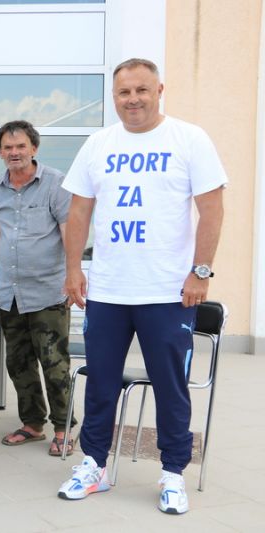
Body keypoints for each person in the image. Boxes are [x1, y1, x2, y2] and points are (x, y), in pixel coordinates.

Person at [57, 58, 226, 515]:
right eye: (124, 92)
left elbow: (212, 209)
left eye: (141, 90)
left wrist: (201, 271)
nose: (132, 99)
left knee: (171, 387)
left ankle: (172, 473)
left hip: (168, 292)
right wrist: (73, 269)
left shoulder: (189, 139)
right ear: (114, 96)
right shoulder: (98, 144)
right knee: (101, 383)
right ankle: (94, 465)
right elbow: (78, 212)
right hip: (108, 291)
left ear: (159, 91)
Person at [0, 120, 74, 455]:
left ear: (34, 148)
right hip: (9, 292)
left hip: (48, 291)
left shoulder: (56, 183)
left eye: (20, 146)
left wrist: (73, 275)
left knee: (54, 364)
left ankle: (63, 428)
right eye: (7, 147)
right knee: (18, 364)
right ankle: (32, 424)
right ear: (0, 152)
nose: (14, 153)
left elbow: (69, 231)